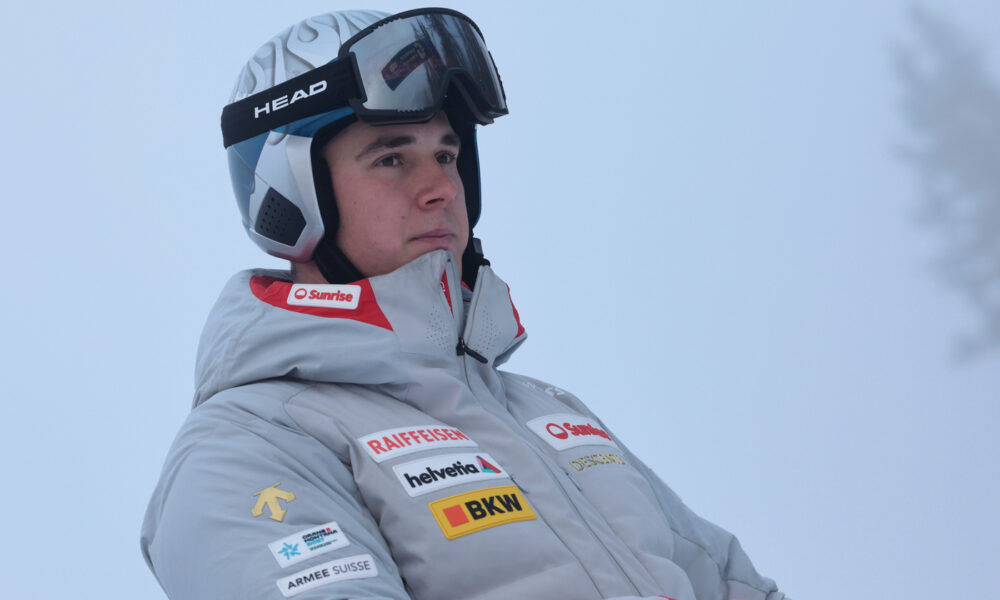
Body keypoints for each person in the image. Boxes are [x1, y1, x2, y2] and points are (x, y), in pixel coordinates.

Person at [140, 8, 787, 600]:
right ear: (289, 195)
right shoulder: (250, 444)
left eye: (446, 154)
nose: (441, 189)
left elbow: (734, 583)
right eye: (392, 158)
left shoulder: (549, 413)